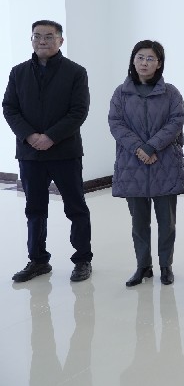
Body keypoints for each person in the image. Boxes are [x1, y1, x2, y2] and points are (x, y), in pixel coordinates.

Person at [4, 20, 93, 283]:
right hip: (30, 153)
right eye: (37, 36)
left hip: (65, 152)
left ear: (60, 40)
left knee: (76, 208)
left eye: (49, 36)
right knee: (34, 210)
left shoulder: (75, 72)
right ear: (31, 39)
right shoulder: (18, 72)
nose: (42, 41)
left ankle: (83, 259)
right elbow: (9, 108)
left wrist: (51, 137)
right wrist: (30, 136)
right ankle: (38, 260)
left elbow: (79, 111)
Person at [108, 40, 184, 286]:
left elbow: (176, 121)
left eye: (150, 58)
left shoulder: (171, 93)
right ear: (133, 60)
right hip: (132, 165)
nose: (144, 63)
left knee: (167, 222)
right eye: (140, 57)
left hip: (165, 163)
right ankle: (143, 267)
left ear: (159, 63)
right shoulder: (121, 93)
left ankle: (166, 266)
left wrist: (152, 147)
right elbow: (116, 123)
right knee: (139, 223)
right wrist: (139, 148)